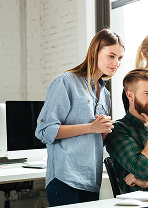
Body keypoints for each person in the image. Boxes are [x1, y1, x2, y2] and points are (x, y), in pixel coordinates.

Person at [35, 29, 125, 206]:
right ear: (95, 52)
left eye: (120, 58)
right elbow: (44, 131)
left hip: (91, 180)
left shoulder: (105, 94)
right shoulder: (66, 82)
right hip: (64, 179)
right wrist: (91, 127)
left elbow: (94, 138)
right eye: (111, 56)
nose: (116, 63)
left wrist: (104, 132)